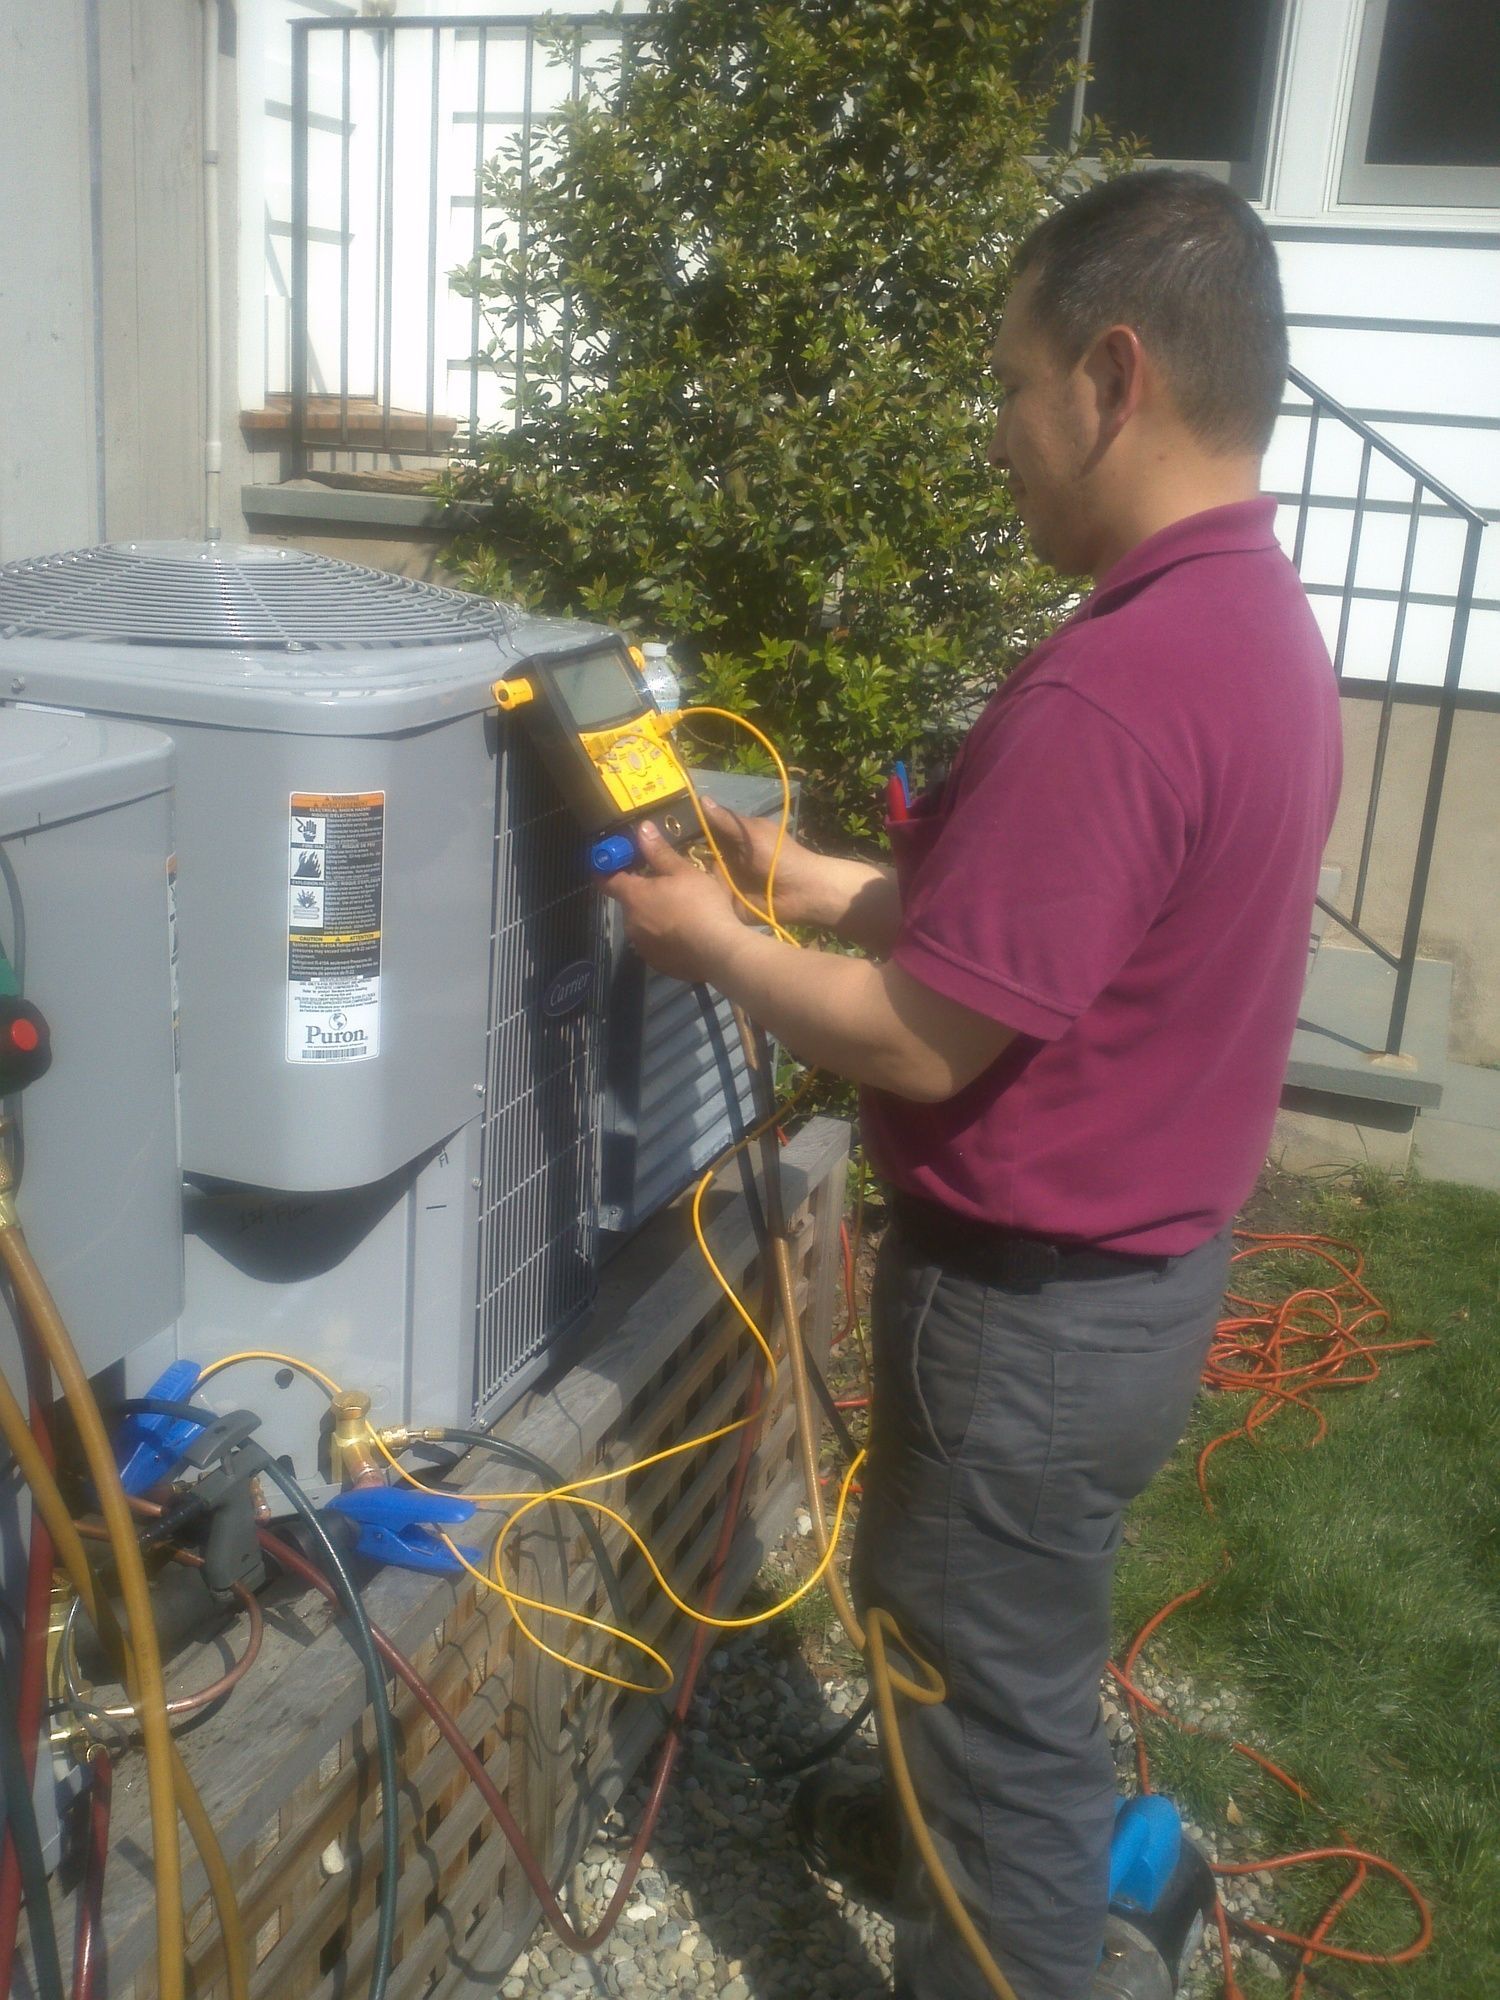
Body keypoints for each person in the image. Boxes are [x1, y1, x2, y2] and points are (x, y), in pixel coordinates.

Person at [604, 168, 1341, 2000]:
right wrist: (799, 884)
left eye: (1011, 390)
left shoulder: (1116, 684)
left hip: (1030, 1322)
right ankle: (946, 1810)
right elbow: (1029, 938)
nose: (998, 439)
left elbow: (925, 1036)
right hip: (1134, 1300)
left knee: (986, 1697)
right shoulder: (1245, 629)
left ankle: (1004, 1926)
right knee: (994, 1649)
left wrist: (708, 947)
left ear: (1113, 378)